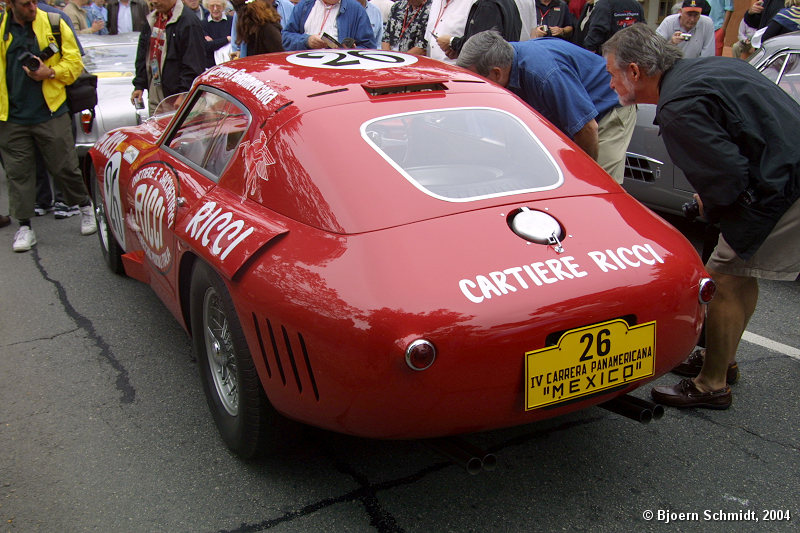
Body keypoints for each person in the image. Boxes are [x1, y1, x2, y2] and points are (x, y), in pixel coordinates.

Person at [602, 23, 800, 409]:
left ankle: (712, 384)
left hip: (781, 184)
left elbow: (728, 180)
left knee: (723, 279)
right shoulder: (707, 67)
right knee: (741, 273)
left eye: (612, 74)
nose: (610, 84)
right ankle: (722, 360)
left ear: (636, 72)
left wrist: (712, 201)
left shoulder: (678, 105)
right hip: (784, 170)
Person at [456, 30, 636, 183]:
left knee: (598, 185)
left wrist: (583, 178)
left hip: (608, 108)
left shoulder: (544, 74)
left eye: (477, 80)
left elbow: (587, 128)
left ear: (496, 73)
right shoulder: (504, 58)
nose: (476, 86)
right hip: (578, 115)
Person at [0, 0, 97, 252]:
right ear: (10, 5)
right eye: (25, 4)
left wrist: (50, 73)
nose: (32, 7)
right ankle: (24, 226)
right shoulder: (2, 28)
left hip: (50, 111)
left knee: (65, 165)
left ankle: (86, 208)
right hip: (12, 116)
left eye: (33, 1)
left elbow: (75, 63)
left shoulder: (54, 21)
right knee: (18, 173)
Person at [131, 0, 206, 113]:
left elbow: (194, 61)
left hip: (176, 96)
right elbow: (143, 54)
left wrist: (184, 93)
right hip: (155, 88)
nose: (154, 1)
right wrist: (139, 85)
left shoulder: (188, 22)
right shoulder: (152, 19)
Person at [434, 0, 521, 59]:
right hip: (503, 68)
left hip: (489, 73)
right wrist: (458, 50)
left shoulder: (488, 5)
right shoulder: (510, 3)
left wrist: (452, 41)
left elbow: (478, 46)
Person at [282, 0, 376, 50]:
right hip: (306, 70)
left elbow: (369, 48)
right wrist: (307, 41)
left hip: (338, 73)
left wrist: (352, 51)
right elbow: (285, 38)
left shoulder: (356, 10)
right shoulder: (304, 6)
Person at [202, 0, 232, 67]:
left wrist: (214, 43)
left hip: (231, 64)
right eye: (212, 6)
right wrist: (227, 39)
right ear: (207, 7)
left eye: (218, 6)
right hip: (211, 66)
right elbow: (206, 46)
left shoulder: (232, 21)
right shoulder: (202, 24)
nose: (215, 9)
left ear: (223, 6)